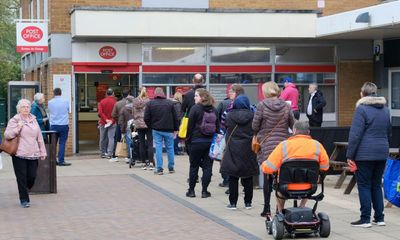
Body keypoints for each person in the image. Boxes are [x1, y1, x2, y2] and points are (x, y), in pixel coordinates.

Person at [346, 82, 391, 228]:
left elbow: (355, 135)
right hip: (382, 151)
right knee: (377, 185)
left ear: (363, 93)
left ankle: (365, 219)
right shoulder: (385, 109)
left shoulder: (362, 109)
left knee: (364, 185)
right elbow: (389, 132)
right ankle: (379, 218)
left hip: (364, 154)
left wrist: (350, 155)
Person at [261, 121, 329, 212]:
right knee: (310, 176)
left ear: (294, 131)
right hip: (310, 187)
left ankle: (280, 212)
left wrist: (263, 165)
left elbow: (268, 168)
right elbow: (325, 167)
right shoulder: (317, 145)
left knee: (278, 187)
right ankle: (302, 207)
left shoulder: (284, 145)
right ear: (308, 132)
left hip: (286, 187)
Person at [252, 81, 295, 219]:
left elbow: (254, 126)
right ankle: (279, 209)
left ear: (265, 92)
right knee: (281, 178)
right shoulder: (285, 106)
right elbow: (293, 125)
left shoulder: (261, 105)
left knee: (267, 177)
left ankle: (266, 208)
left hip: (267, 146)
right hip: (283, 146)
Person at [4, 99, 47, 208]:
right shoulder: (14, 120)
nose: (26, 109)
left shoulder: (33, 119)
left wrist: (43, 151)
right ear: (19, 109)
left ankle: (25, 189)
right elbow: (7, 135)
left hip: (33, 153)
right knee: (21, 178)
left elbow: (39, 137)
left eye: (27, 106)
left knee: (32, 177)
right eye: (23, 107)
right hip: (19, 154)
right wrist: (18, 127)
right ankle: (24, 199)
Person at [220, 95, 259, 210]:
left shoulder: (228, 115)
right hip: (248, 149)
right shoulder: (253, 116)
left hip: (233, 147)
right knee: (248, 176)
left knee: (233, 176)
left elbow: (222, 127)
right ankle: (248, 203)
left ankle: (233, 203)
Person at [185, 88, 219, 198]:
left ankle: (191, 191)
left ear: (202, 97)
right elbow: (218, 128)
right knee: (208, 167)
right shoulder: (214, 110)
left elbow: (189, 127)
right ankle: (204, 191)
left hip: (196, 141)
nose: (194, 97)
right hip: (209, 142)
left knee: (194, 166)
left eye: (196, 96)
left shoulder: (195, 109)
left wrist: (188, 140)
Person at [144, 87, 179, 175]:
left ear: (155, 94)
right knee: (170, 148)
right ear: (163, 93)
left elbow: (146, 118)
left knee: (158, 148)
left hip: (156, 129)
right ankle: (171, 167)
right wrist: (176, 129)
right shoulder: (170, 103)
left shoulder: (150, 103)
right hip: (169, 129)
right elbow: (175, 118)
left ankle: (159, 168)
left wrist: (150, 126)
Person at [218, 84, 245, 191]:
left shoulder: (228, 111)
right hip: (244, 139)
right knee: (243, 162)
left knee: (232, 162)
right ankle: (244, 185)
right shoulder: (251, 108)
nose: (229, 93)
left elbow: (223, 126)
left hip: (232, 139)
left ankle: (230, 184)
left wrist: (220, 136)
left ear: (237, 93)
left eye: (231, 92)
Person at [132, 87, 154, 170]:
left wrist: (136, 120)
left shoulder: (135, 101)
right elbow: (151, 113)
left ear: (138, 92)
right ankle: (151, 162)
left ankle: (144, 163)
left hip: (139, 124)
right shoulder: (149, 101)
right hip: (148, 124)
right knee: (150, 143)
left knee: (141, 143)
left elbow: (133, 113)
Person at [48, 88, 71, 166]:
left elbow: (50, 112)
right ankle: (61, 161)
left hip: (54, 125)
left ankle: (53, 161)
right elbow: (68, 110)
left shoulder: (50, 102)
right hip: (63, 125)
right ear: (61, 93)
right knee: (62, 143)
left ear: (54, 93)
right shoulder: (66, 101)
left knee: (53, 144)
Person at [98, 88, 117, 161]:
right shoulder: (115, 102)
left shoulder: (102, 102)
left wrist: (106, 119)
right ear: (113, 94)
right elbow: (116, 113)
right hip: (112, 122)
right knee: (111, 138)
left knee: (102, 138)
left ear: (106, 94)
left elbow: (100, 113)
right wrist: (111, 120)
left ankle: (102, 153)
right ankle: (110, 153)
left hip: (103, 122)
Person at [111, 88, 131, 159]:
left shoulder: (118, 103)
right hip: (130, 124)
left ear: (122, 95)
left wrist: (118, 119)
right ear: (129, 94)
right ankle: (129, 156)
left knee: (117, 139)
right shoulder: (133, 103)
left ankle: (115, 156)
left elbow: (113, 115)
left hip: (120, 124)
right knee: (129, 139)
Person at [119, 95, 135, 163]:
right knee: (136, 141)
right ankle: (136, 155)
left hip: (127, 128)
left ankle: (129, 157)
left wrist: (122, 131)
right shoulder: (136, 108)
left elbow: (122, 121)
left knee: (129, 142)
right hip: (135, 127)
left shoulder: (123, 109)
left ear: (127, 101)